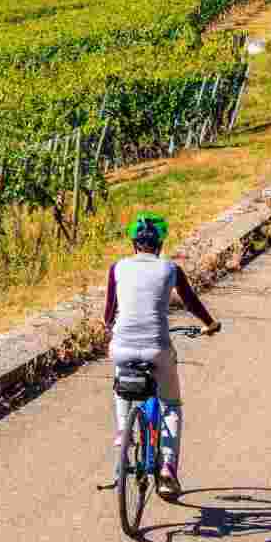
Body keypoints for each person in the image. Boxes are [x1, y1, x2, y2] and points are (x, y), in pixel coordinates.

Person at [103, 212, 220, 495]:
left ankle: (123, 433)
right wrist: (210, 324)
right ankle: (167, 468)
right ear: (160, 244)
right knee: (170, 404)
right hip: (157, 347)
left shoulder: (117, 268)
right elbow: (191, 303)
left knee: (121, 385)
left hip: (122, 345)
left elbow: (108, 314)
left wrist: (111, 327)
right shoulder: (170, 269)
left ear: (133, 243)